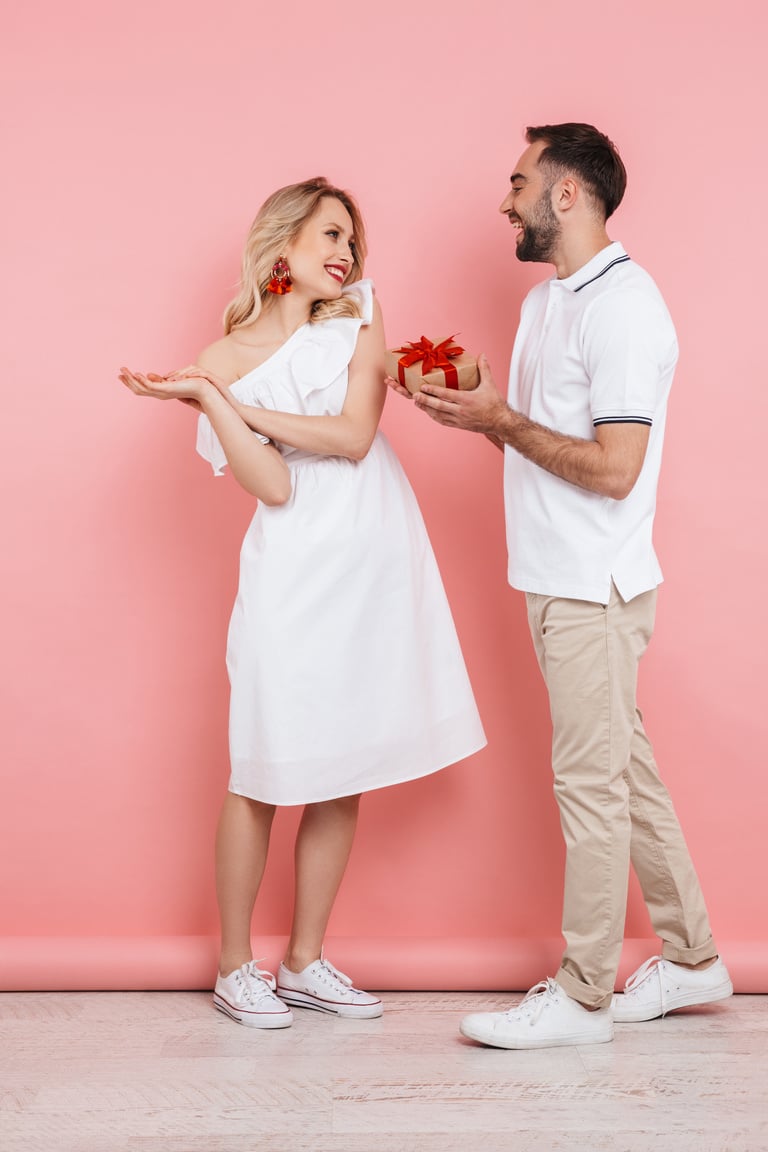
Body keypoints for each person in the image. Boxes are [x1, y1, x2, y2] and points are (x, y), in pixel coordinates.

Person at [119, 177, 485, 1030]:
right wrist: (214, 398)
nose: (345, 254)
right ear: (280, 244)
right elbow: (274, 485)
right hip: (294, 562)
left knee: (342, 766)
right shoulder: (217, 360)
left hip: (373, 549)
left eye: (352, 241)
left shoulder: (360, 312)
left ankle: (307, 959)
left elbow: (357, 436)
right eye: (329, 235)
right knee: (264, 764)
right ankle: (235, 967)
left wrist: (237, 407)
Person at [397, 124, 732, 1049]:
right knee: (628, 775)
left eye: (518, 182)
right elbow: (539, 427)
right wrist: (477, 399)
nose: (504, 200)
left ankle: (585, 995)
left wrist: (500, 419)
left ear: (568, 195)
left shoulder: (626, 308)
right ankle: (696, 957)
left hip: (595, 586)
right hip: (551, 574)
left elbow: (617, 468)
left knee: (590, 785)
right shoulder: (550, 301)